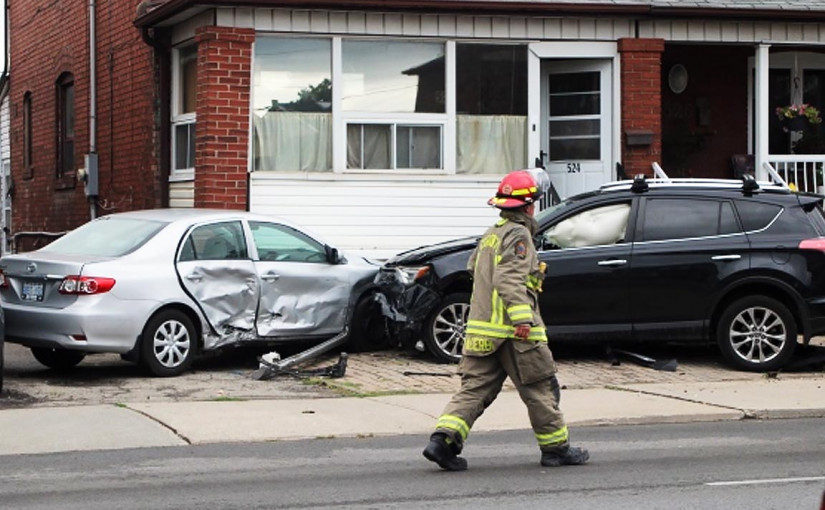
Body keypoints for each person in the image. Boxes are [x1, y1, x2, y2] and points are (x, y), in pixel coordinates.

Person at [422, 169, 589, 471]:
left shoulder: (491, 236)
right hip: (514, 332)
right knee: (539, 387)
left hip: (481, 332)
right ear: (528, 207)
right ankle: (556, 449)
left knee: (474, 390)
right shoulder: (518, 235)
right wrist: (522, 318)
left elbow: (476, 271)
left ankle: (442, 442)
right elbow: (509, 278)